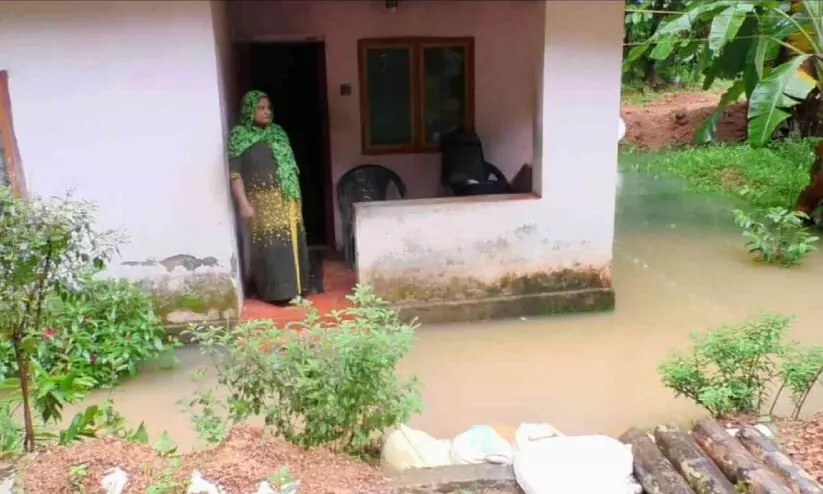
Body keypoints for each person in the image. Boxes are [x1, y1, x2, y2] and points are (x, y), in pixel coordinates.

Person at [228, 90, 308, 304]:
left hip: (286, 197)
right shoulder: (239, 136)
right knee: (271, 245)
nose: (266, 112)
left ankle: (296, 289)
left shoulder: (278, 132)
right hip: (261, 201)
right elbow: (235, 173)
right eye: (260, 108)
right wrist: (243, 203)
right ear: (249, 110)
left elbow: (289, 165)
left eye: (268, 108)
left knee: (291, 242)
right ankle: (276, 292)